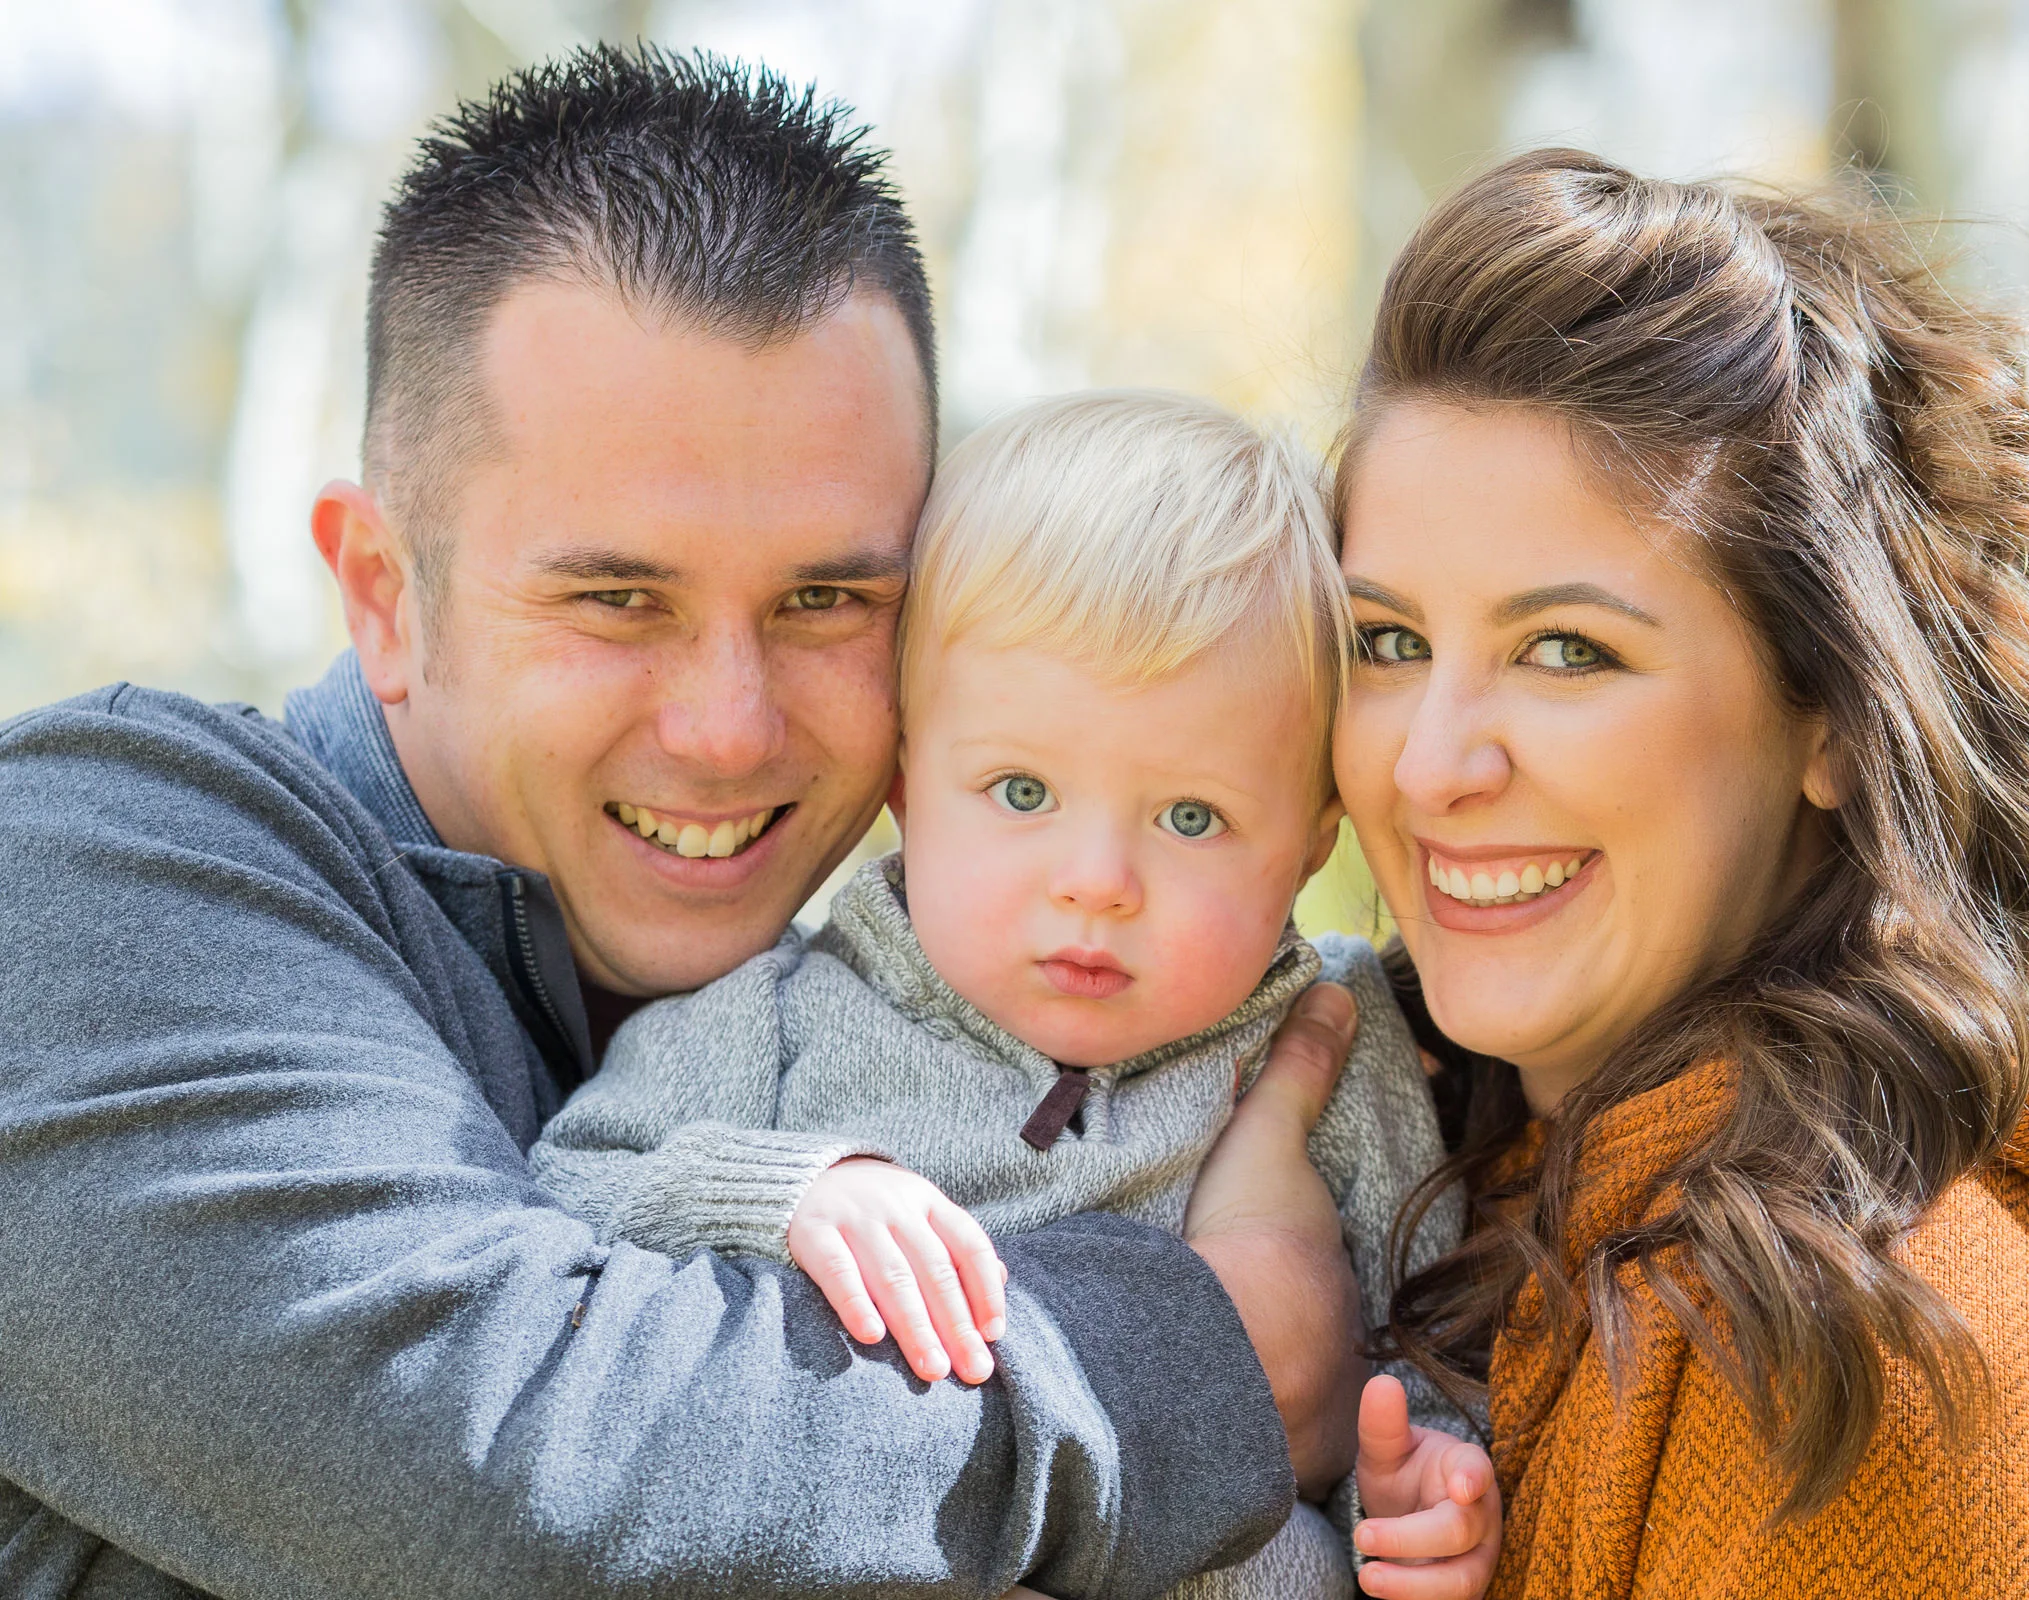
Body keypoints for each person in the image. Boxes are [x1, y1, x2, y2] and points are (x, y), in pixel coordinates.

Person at [0, 48, 1369, 1600]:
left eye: (825, 599)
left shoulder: (937, 1013)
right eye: (617, 598)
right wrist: (1214, 1355)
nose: (730, 727)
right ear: (385, 593)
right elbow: (519, 1483)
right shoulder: (93, 870)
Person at [1327, 150, 2029, 1598]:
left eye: (1568, 651)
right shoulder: (1391, 1164)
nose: (1431, 765)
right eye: (1386, 642)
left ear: (1829, 714)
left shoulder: (1878, 1348)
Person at [529, 389, 1503, 1600]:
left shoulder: (1331, 1040)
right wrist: (789, 1191)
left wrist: (1416, 1485)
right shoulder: (778, 1012)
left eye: (1191, 817)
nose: (1097, 884)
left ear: (1312, 841)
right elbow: (563, 1205)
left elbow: (1432, 1335)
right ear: (904, 778)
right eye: (1023, 793)